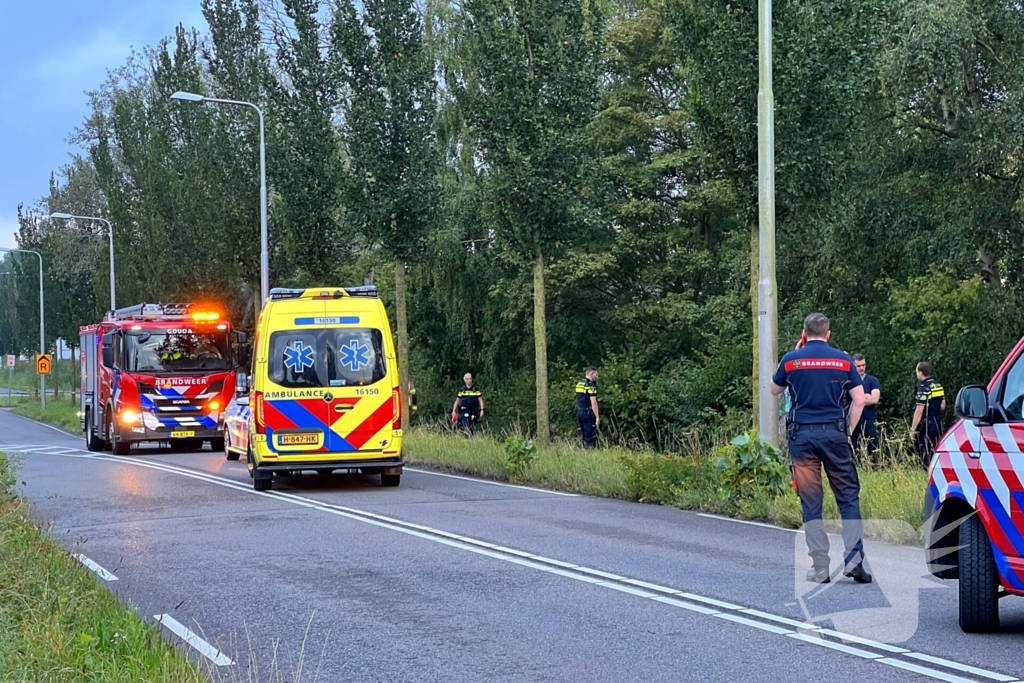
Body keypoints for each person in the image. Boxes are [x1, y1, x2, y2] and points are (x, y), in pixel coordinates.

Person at [770, 313, 872, 585]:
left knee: (811, 501)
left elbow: (774, 389)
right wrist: (847, 431)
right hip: (835, 435)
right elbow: (859, 399)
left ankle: (820, 567)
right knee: (848, 497)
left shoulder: (792, 360)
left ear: (804, 333)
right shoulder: (843, 360)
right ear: (828, 334)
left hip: (802, 437)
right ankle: (855, 562)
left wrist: (795, 353)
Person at [911, 362, 945, 467]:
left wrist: (913, 429)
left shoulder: (923, 388)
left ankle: (926, 473)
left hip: (926, 426)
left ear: (921, 373)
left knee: (924, 454)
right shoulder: (938, 386)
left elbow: (919, 410)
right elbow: (942, 406)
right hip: (937, 424)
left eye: (917, 371)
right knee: (935, 451)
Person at [850, 354, 881, 461]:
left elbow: (875, 399)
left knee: (873, 447)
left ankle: (875, 466)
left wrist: (857, 399)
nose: (862, 368)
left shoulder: (872, 380)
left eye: (863, 365)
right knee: (853, 448)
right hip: (853, 420)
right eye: (858, 366)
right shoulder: (849, 381)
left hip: (869, 420)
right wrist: (865, 397)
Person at [575, 367, 600, 448]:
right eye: (596, 374)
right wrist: (597, 417)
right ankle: (590, 450)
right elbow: (593, 402)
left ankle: (582, 450)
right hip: (587, 412)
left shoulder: (580, 383)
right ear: (591, 374)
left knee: (582, 435)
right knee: (590, 437)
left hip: (579, 412)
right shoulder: (591, 385)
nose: (597, 377)